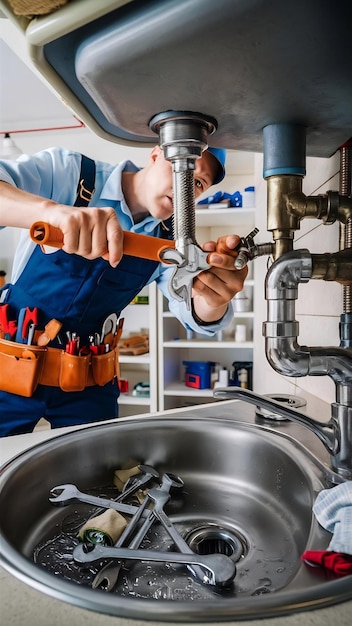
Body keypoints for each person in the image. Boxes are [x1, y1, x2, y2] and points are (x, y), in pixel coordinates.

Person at [0, 144, 248, 436]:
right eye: (182, 169)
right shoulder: (73, 175)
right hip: (10, 369)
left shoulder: (169, 243)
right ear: (156, 154)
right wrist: (53, 213)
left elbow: (193, 311)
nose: (186, 190)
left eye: (196, 184)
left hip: (89, 382)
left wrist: (214, 296)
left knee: (95, 475)